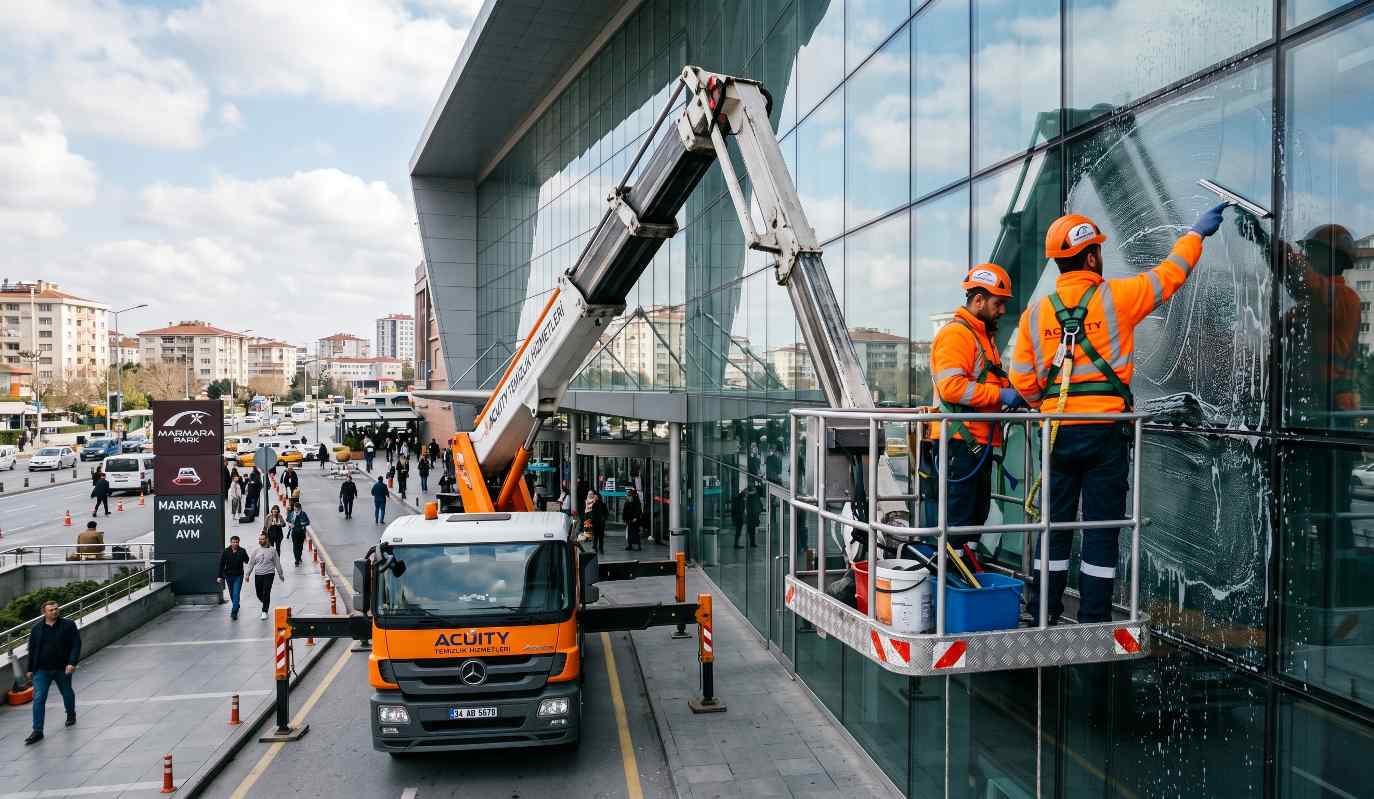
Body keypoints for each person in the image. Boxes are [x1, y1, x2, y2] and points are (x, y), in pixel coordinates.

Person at [1009, 203, 1227, 624]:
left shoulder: (1035, 315)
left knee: (1052, 529)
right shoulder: (1118, 298)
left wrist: (1053, 399)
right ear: (1091, 256)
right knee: (1101, 529)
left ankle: (1043, 612)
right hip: (1107, 432)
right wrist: (1196, 235)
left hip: (1057, 433)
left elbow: (1023, 382)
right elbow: (1170, 275)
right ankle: (1092, 616)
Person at [927, 262, 1023, 547]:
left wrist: (1013, 392)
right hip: (960, 440)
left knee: (974, 517)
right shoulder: (957, 334)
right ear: (978, 300)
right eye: (998, 303)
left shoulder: (982, 336)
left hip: (974, 443)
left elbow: (987, 380)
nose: (1003, 310)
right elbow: (952, 387)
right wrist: (1000, 396)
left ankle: (964, 577)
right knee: (959, 520)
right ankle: (954, 582)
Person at [24, 600, 81, 745]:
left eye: (56, 609)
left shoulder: (68, 625)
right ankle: (37, 730)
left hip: (62, 668)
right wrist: (30, 669)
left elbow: (76, 644)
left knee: (67, 692)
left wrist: (72, 662)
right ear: (44, 612)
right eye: (51, 610)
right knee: (39, 698)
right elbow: (32, 649)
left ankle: (70, 714)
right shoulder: (37, 628)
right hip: (41, 670)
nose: (55, 611)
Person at [248, 532, 284, 620]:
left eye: (262, 539)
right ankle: (266, 602)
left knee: (266, 591)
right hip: (258, 574)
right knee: (259, 593)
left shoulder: (272, 550)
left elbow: (277, 562)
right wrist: (247, 574)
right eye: (260, 539)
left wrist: (280, 574)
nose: (261, 540)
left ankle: (264, 611)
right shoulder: (255, 550)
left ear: (267, 540)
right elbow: (251, 563)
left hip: (269, 574)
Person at [217, 535, 250, 620]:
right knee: (232, 594)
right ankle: (236, 605)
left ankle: (234, 611)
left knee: (236, 593)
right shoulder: (226, 551)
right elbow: (221, 564)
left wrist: (246, 557)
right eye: (233, 542)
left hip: (238, 576)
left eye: (236, 542)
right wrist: (219, 576)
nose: (235, 544)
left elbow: (247, 561)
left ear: (238, 542)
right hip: (228, 576)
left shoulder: (242, 551)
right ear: (230, 542)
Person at [287, 501, 311, 567]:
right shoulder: (292, 514)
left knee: (300, 546)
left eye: (297, 510)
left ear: (300, 509)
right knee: (295, 545)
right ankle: (296, 560)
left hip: (301, 532)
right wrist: (290, 525)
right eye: (295, 509)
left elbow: (308, 522)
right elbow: (288, 520)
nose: (296, 511)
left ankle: (299, 557)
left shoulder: (303, 514)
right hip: (294, 532)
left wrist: (303, 524)